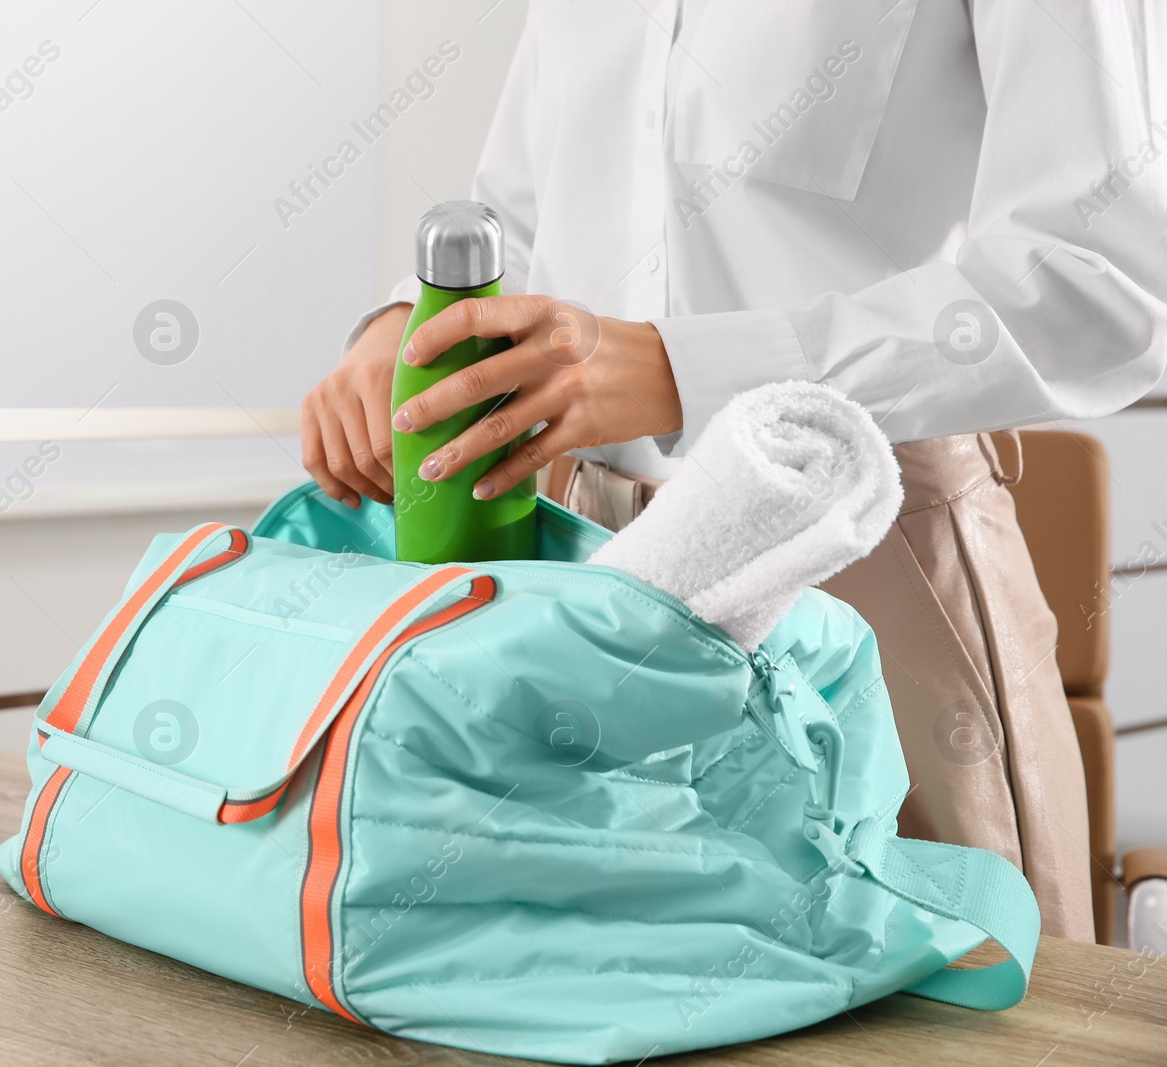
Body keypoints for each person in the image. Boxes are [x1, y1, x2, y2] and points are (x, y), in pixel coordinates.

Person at [301, 1, 1167, 942]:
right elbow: (523, 215)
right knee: (594, 993)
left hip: (866, 542)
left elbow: (1108, 282)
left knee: (949, 1006)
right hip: (582, 554)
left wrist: (688, 367)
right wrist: (409, 324)